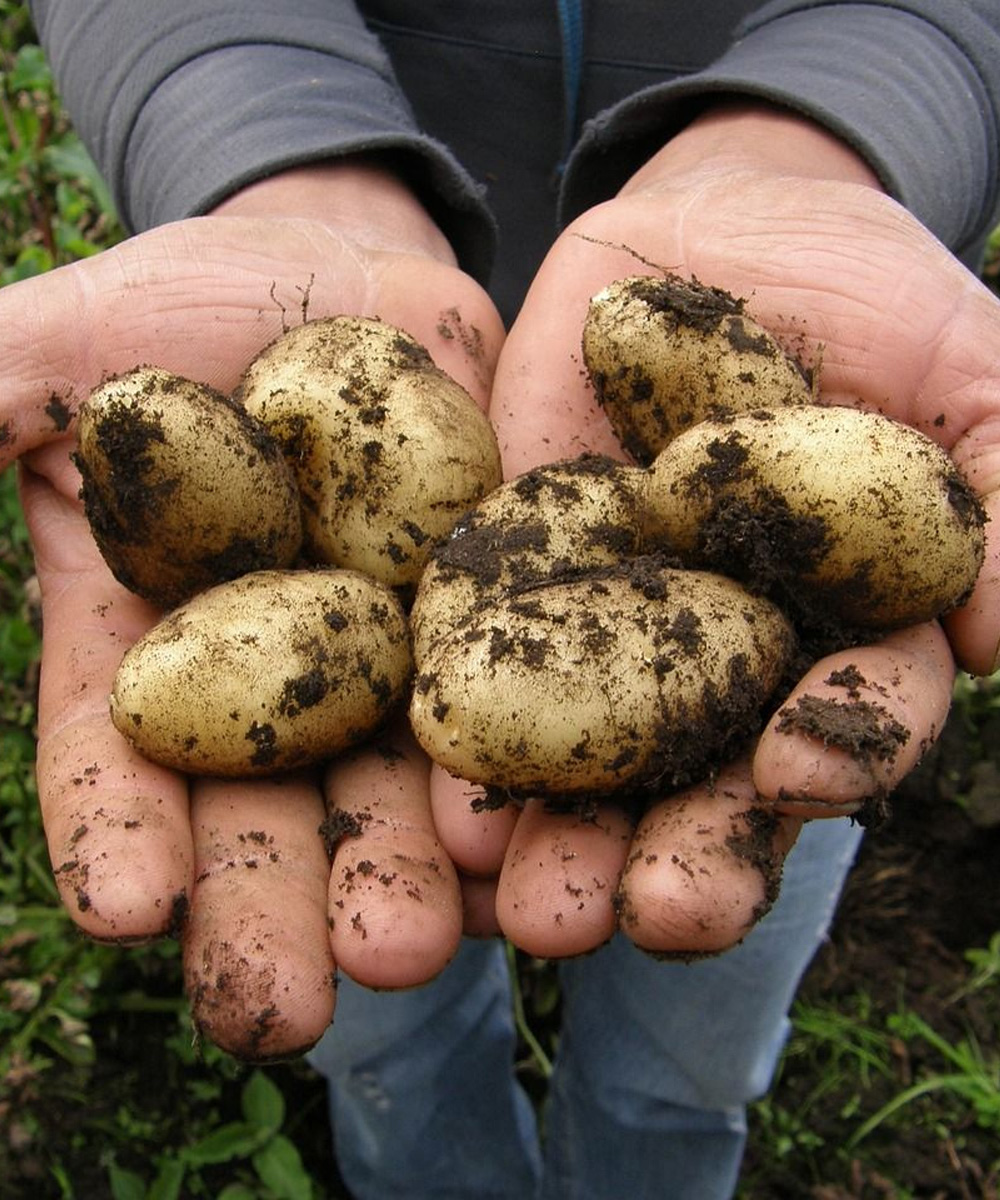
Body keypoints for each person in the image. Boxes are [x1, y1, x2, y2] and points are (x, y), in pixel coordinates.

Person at [3, 2, 1000, 1196]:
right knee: (383, 1001)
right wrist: (268, 145)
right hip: (372, 258)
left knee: (688, 1038)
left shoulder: (687, 503)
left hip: (761, 491)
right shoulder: (401, 575)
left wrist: (828, 129)